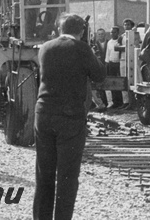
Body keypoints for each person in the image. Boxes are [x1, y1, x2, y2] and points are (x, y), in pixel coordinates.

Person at [32, 14, 105, 220]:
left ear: (59, 29)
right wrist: (90, 48)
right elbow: (100, 74)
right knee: (67, 177)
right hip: (70, 118)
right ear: (81, 31)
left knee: (44, 174)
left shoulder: (45, 47)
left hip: (44, 114)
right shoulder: (82, 49)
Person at [105, 26, 125, 109]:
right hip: (111, 63)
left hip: (119, 63)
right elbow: (108, 53)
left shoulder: (120, 41)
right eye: (111, 32)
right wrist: (107, 63)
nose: (112, 34)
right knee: (112, 83)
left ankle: (121, 101)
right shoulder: (109, 42)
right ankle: (114, 101)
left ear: (118, 33)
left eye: (114, 32)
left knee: (119, 82)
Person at [91, 28, 110, 110]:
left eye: (102, 34)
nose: (101, 36)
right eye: (99, 34)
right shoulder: (94, 45)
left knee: (108, 83)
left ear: (105, 34)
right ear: (97, 35)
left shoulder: (109, 42)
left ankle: (109, 102)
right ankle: (101, 102)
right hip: (98, 66)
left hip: (107, 65)